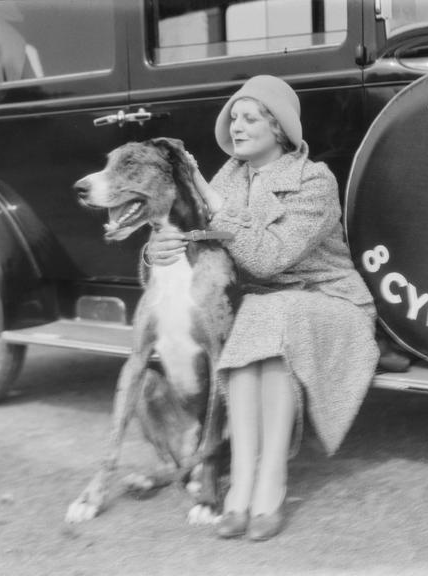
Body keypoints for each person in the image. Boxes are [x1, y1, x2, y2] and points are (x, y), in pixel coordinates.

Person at [144, 75, 379, 541]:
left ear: (279, 128)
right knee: (257, 322)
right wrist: (159, 250)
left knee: (267, 316)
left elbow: (266, 259)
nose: (237, 126)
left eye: (251, 118)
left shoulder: (313, 179)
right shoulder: (230, 176)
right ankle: (243, 484)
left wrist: (212, 205)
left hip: (331, 305)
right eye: (234, 117)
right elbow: (191, 238)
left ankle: (271, 480)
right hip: (266, 308)